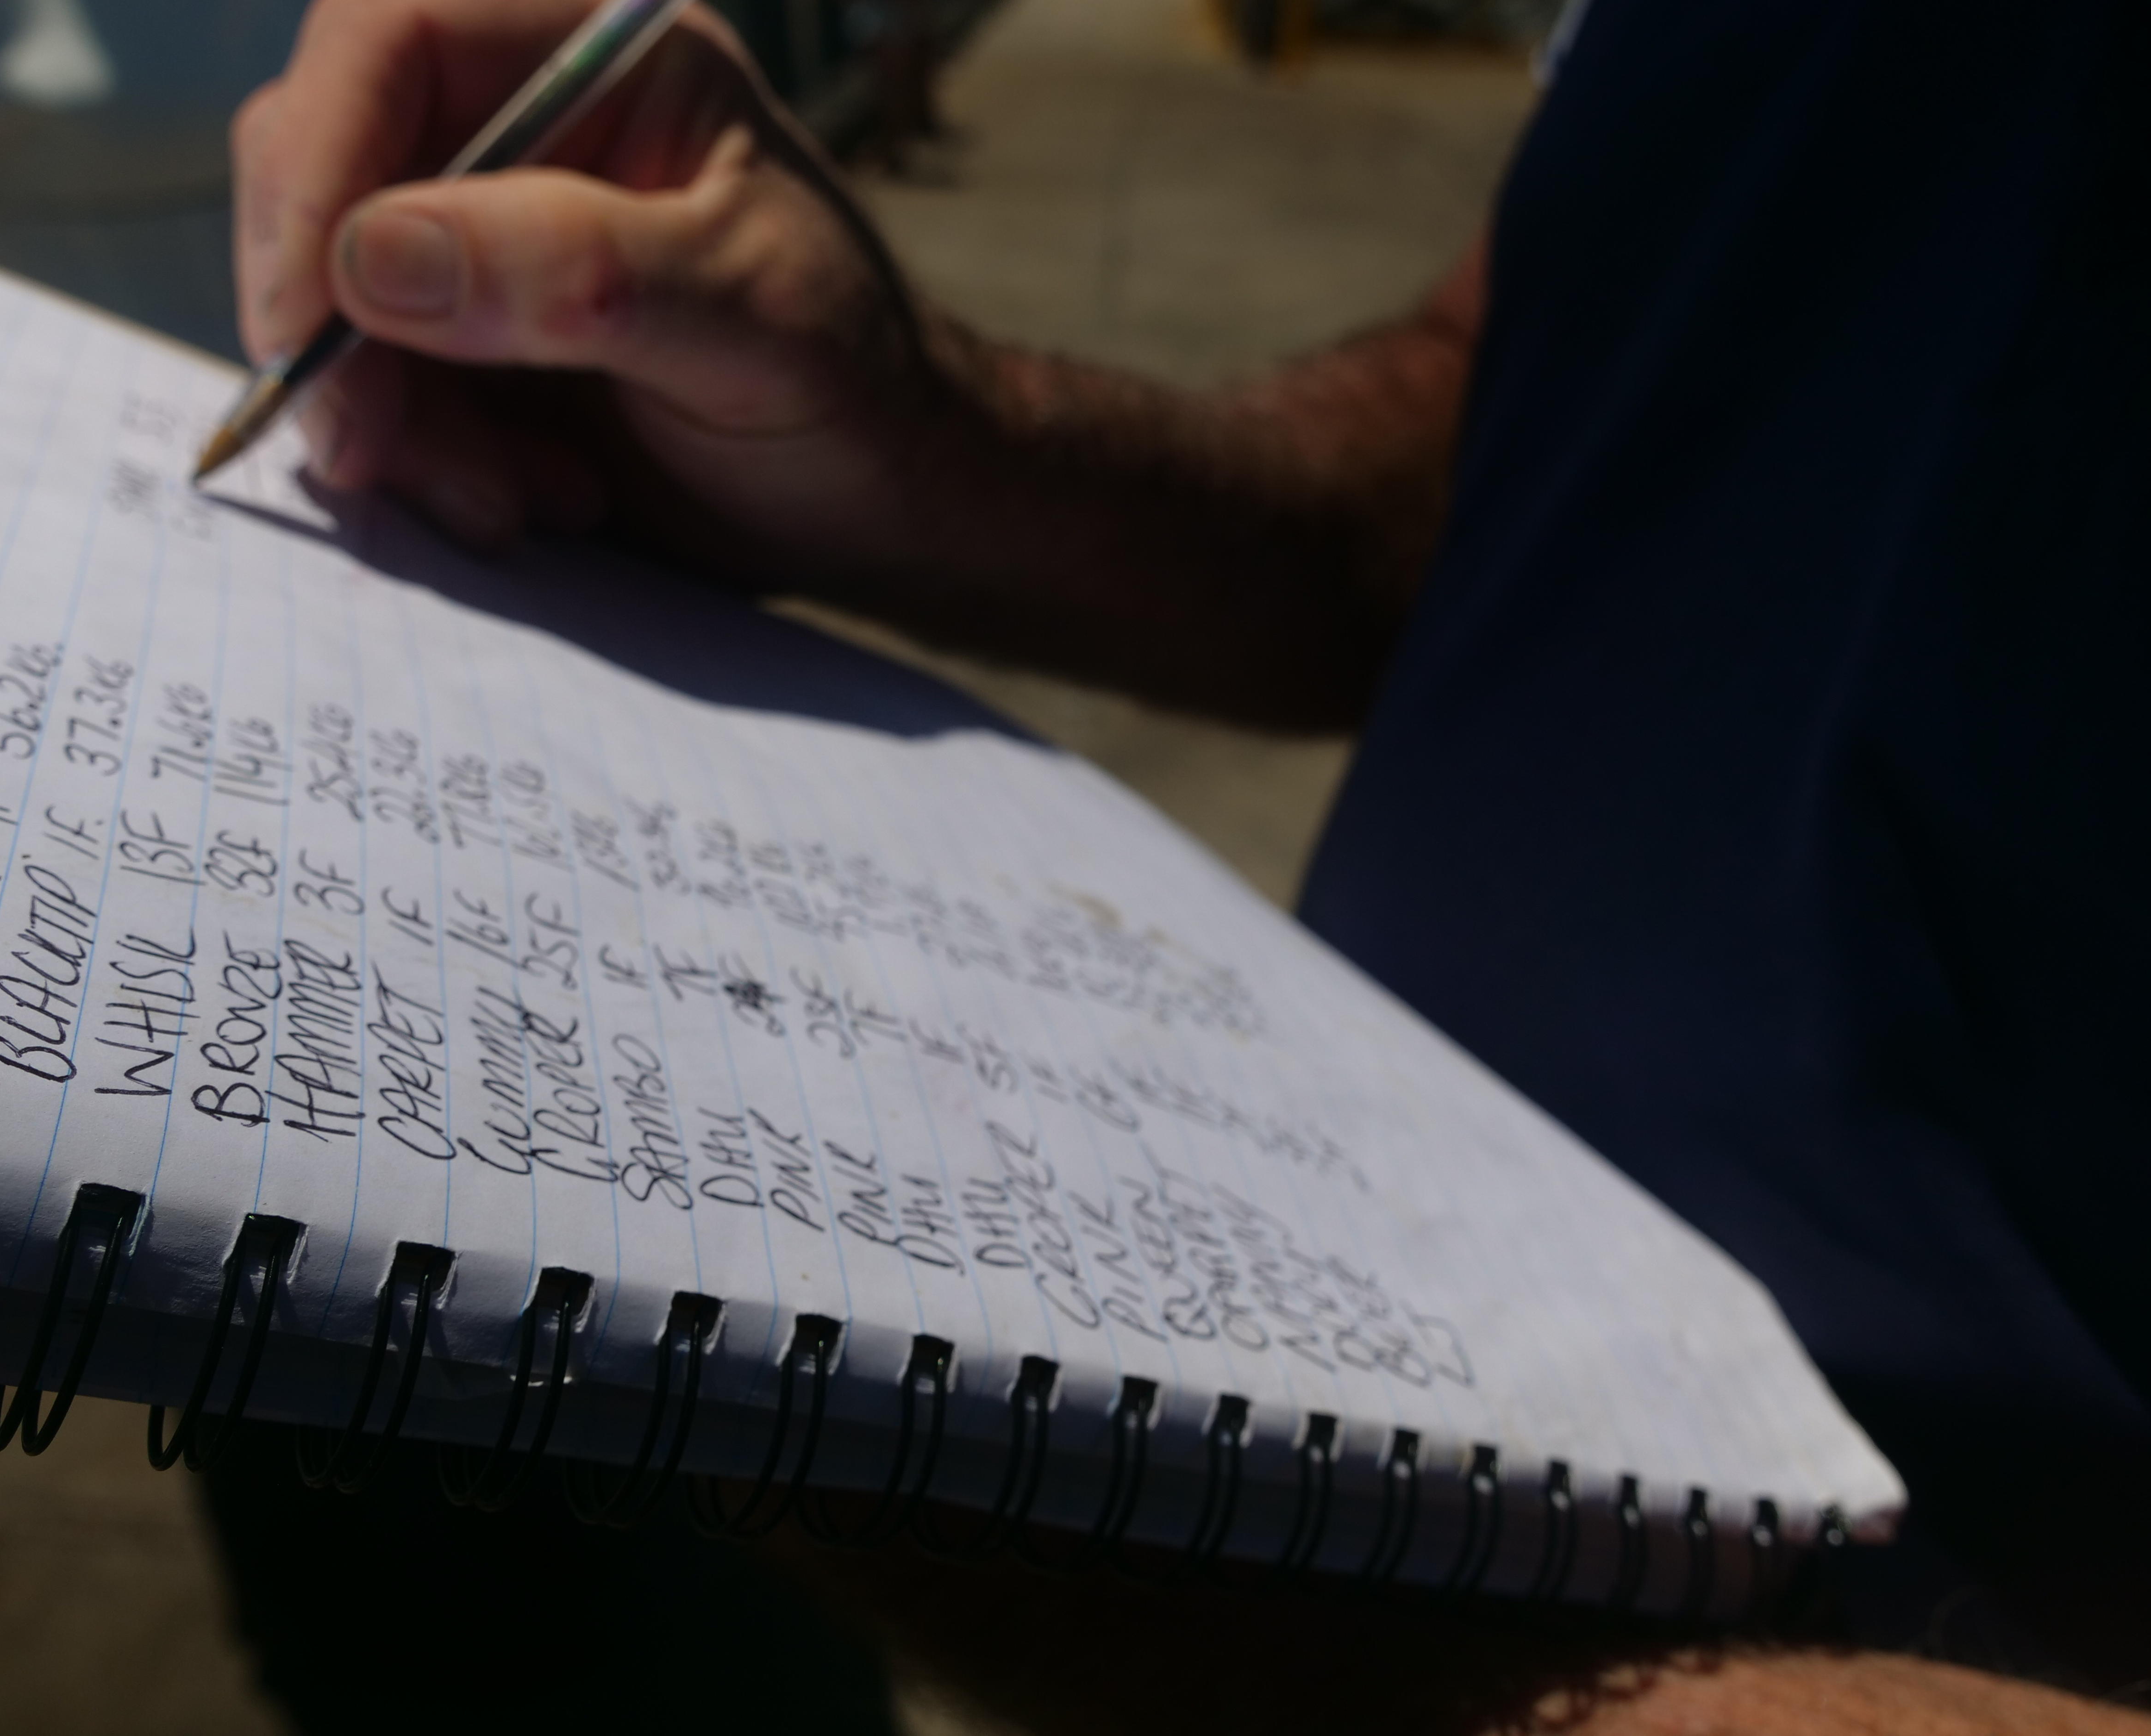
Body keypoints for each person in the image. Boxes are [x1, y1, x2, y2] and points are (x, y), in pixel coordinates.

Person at [217, 0, 2151, 1730]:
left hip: (1817, 1586)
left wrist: (1281, 1606)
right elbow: (1500, 423)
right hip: (1357, 1290)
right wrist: (927, 441)